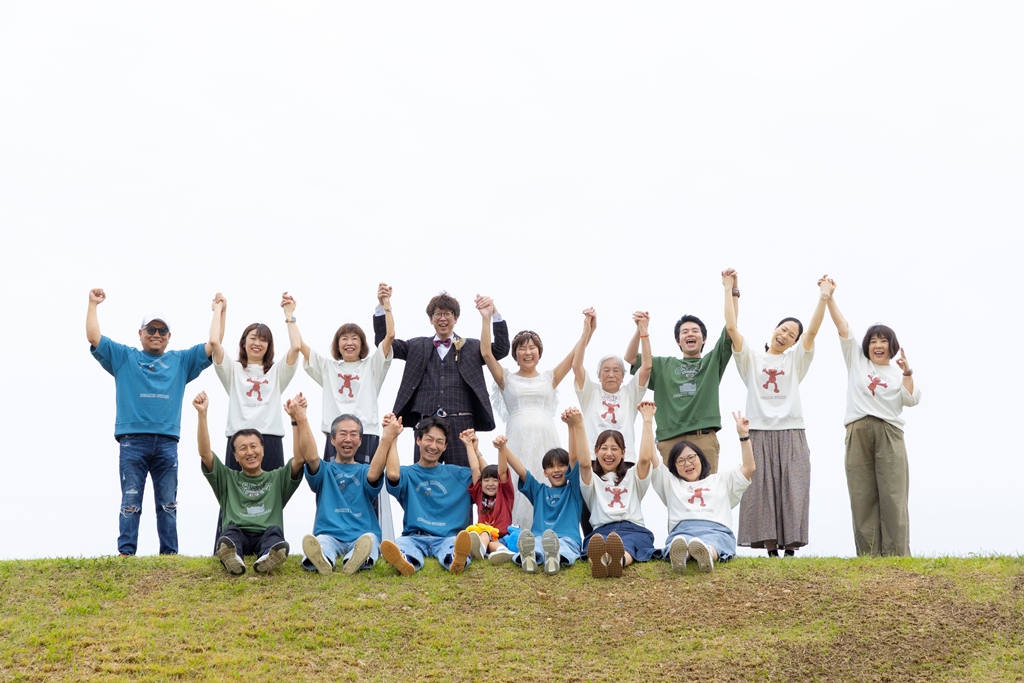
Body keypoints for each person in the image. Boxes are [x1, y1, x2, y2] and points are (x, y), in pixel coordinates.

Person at [87, 288, 215, 556]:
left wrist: (218, 311)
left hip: (167, 442)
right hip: (132, 441)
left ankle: (169, 555)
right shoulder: (125, 357)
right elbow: (94, 338)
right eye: (151, 329)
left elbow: (212, 345)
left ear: (169, 336)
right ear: (140, 333)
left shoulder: (180, 361)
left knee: (168, 504)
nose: (156, 334)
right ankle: (126, 553)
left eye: (162, 330)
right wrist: (93, 304)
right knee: (130, 501)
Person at [726, 274, 830, 557]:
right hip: (758, 431)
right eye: (783, 329)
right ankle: (771, 549)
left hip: (792, 430)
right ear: (774, 329)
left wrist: (824, 296)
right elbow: (732, 328)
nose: (785, 335)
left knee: (794, 488)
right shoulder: (751, 358)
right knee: (761, 490)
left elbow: (812, 332)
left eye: (792, 335)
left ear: (795, 342)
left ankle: (791, 549)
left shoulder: (795, 360)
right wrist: (730, 290)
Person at [823, 280, 921, 556]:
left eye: (884, 341)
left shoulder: (897, 373)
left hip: (889, 433)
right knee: (862, 494)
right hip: (858, 430)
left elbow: (911, 399)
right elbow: (843, 328)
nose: (878, 345)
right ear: (866, 346)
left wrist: (907, 372)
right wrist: (829, 297)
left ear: (892, 346)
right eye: (873, 341)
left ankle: (896, 555)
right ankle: (868, 555)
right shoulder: (857, 361)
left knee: (893, 494)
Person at [295, 285, 396, 540]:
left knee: (369, 489)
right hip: (336, 437)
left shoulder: (372, 366)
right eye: (344, 338)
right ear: (337, 345)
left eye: (354, 338)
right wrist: (289, 315)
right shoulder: (328, 367)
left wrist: (386, 304)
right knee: (332, 491)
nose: (349, 343)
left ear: (362, 344)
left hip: (367, 435)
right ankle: (328, 539)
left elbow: (390, 336)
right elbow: (299, 346)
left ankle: (372, 541)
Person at [480, 309, 590, 528]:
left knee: (550, 478)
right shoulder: (506, 378)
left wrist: (588, 330)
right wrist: (487, 317)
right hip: (517, 438)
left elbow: (574, 355)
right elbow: (486, 354)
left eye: (532, 348)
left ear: (539, 352)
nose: (527, 352)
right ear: (515, 354)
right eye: (522, 348)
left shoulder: (550, 377)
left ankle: (552, 530)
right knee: (517, 482)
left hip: (546, 437)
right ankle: (515, 534)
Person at [374, 291, 508, 468]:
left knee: (463, 476)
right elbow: (384, 344)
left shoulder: (472, 346)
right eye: (438, 314)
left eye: (448, 314)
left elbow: (501, 349)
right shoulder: (416, 346)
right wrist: (382, 306)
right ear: (431, 319)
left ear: (456, 318)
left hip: (461, 422)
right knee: (423, 474)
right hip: (425, 422)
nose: (443, 318)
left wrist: (493, 313)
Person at [624, 269, 739, 473]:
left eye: (695, 331)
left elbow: (731, 327)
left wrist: (732, 290)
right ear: (678, 340)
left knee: (707, 490)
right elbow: (631, 358)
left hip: (703, 437)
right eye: (684, 332)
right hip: (670, 440)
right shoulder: (664, 365)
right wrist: (639, 329)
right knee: (673, 492)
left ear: (704, 339)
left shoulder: (712, 362)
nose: (690, 334)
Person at [193, 391, 304, 575]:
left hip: (266, 533)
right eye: (243, 448)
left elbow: (299, 459)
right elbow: (205, 454)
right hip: (238, 532)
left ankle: (268, 556)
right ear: (235, 456)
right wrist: (202, 414)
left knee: (274, 534)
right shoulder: (227, 478)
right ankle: (232, 557)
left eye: (254, 446)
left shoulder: (277, 478)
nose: (249, 452)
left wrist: (296, 420)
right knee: (230, 534)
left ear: (263, 450)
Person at [299, 408, 400, 575]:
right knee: (322, 542)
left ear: (360, 441)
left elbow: (374, 474)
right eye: (343, 434)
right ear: (332, 440)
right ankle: (323, 559)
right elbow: (311, 457)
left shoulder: (364, 471)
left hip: (362, 535)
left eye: (353, 434)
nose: (348, 439)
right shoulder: (324, 470)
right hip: (329, 534)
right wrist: (301, 418)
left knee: (369, 540)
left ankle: (355, 560)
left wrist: (387, 437)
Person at [653, 411, 755, 573]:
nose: (687, 463)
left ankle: (706, 553)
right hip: (683, 530)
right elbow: (650, 458)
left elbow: (749, 468)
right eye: (680, 461)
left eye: (691, 457)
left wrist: (743, 435)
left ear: (700, 458)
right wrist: (647, 421)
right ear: (674, 467)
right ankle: (681, 556)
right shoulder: (671, 483)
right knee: (680, 542)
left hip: (716, 529)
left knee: (714, 542)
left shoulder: (721, 480)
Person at [209, 292, 300, 472]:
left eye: (263, 340)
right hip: (238, 438)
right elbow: (214, 342)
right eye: (253, 338)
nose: (258, 343)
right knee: (235, 490)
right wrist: (218, 311)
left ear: (269, 346)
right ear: (244, 342)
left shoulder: (276, 372)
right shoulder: (233, 370)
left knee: (273, 490)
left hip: (270, 438)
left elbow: (296, 347)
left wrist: (289, 315)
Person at [379, 416, 475, 575]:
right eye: (429, 439)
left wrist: (474, 449)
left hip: (448, 537)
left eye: (439, 442)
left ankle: (456, 559)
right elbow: (393, 474)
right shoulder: (408, 474)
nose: (433, 446)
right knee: (403, 543)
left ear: (445, 446)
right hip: (414, 536)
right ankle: (404, 561)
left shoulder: (458, 474)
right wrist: (393, 437)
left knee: (454, 544)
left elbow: (486, 481)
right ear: (418, 440)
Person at [496, 407, 585, 575]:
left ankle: (554, 558)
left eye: (561, 465)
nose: (556, 470)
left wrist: (571, 426)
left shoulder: (573, 490)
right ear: (545, 472)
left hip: (567, 539)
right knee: (535, 544)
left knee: (564, 547)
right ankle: (531, 558)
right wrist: (503, 448)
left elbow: (574, 458)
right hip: (539, 537)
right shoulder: (539, 491)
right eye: (551, 466)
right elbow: (521, 471)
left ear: (568, 468)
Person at [579, 402, 659, 579]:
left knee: (629, 544)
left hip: (633, 528)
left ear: (623, 453)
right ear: (595, 451)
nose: (609, 453)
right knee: (596, 545)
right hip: (601, 530)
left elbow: (645, 460)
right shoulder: (592, 480)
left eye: (614, 449)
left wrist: (647, 420)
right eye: (604, 448)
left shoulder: (633, 477)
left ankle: (618, 561)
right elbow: (584, 464)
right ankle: (600, 561)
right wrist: (579, 424)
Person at [573, 308, 651, 462]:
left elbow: (647, 366)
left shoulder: (630, 394)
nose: (610, 375)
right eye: (606, 370)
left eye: (616, 371)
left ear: (623, 377)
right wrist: (586, 331)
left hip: (624, 459)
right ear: (598, 375)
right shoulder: (590, 392)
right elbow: (576, 366)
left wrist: (643, 331)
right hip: (592, 459)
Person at [460, 429, 516, 564]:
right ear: (481, 482)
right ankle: (490, 549)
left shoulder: (505, 494)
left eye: (495, 480)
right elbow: (475, 469)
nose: (490, 484)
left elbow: (502, 472)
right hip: (485, 537)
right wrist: (469, 446)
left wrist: (501, 448)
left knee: (489, 537)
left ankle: (495, 550)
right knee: (485, 534)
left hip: (503, 537)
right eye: (486, 480)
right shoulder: (480, 494)